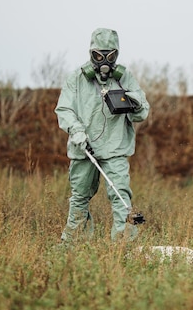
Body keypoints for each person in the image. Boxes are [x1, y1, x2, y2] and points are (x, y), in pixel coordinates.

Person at [55, 28, 150, 242]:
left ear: (117, 54)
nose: (104, 60)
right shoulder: (77, 78)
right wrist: (77, 131)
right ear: (91, 53)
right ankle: (73, 243)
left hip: (115, 147)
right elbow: (64, 109)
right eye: (99, 55)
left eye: (110, 55)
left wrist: (130, 98)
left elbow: (142, 112)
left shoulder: (125, 77)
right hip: (84, 150)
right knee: (79, 198)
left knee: (120, 196)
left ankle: (124, 247)